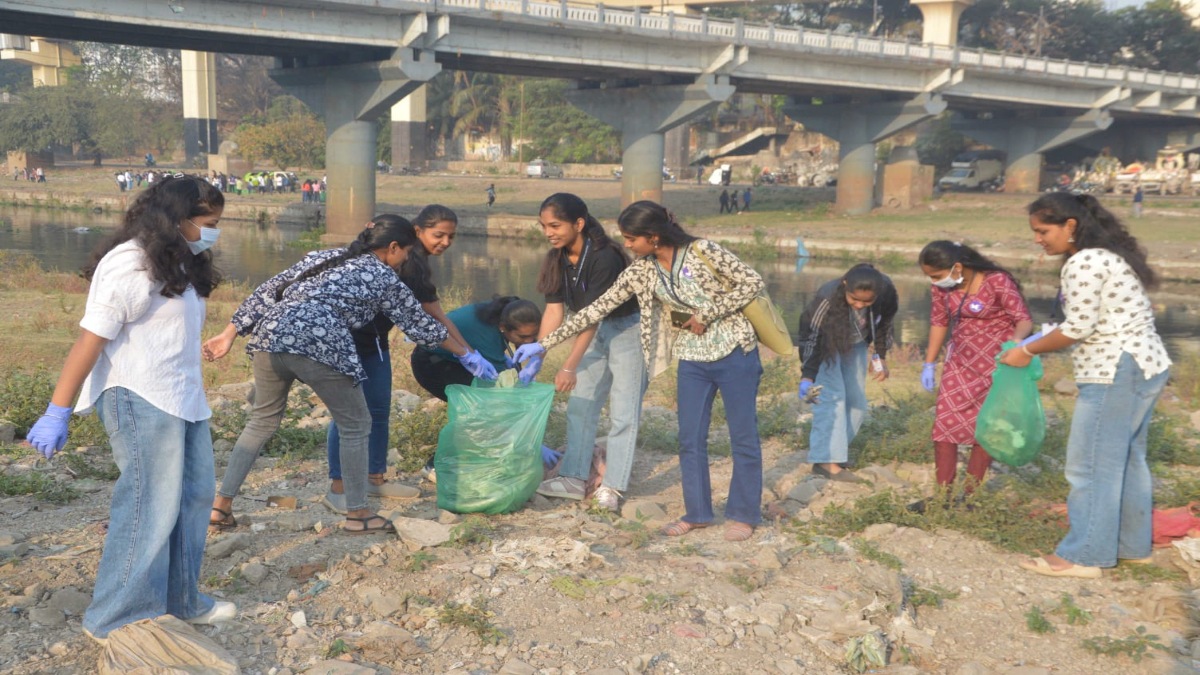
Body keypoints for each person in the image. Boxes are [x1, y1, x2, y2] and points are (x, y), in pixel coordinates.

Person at [23, 175, 235, 642]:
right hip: (138, 396)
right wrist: (57, 410)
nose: (215, 232)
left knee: (195, 497)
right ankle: (116, 616)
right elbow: (89, 340)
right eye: (209, 223)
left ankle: (180, 599)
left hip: (183, 397)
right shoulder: (130, 264)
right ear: (177, 219)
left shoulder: (182, 261)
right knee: (150, 504)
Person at [203, 216, 494, 534]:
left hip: (269, 336)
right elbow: (423, 327)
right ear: (393, 247)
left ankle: (221, 506)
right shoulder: (383, 276)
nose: (408, 259)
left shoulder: (322, 256)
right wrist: (466, 354)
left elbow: (268, 291)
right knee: (356, 425)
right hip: (318, 341)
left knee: (261, 422)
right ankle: (358, 514)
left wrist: (228, 334)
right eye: (407, 252)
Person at [514, 200, 765, 541]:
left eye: (632, 238)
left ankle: (743, 514)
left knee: (743, 438)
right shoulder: (641, 269)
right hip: (692, 357)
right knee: (690, 440)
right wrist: (544, 345)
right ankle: (698, 514)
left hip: (735, 352)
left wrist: (706, 314)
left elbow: (751, 282)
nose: (627, 245)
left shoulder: (703, 251)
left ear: (655, 236)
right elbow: (596, 309)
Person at [1000, 192, 1170, 579]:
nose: (1038, 239)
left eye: (1043, 231)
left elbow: (1077, 328)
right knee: (1126, 459)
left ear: (1070, 225)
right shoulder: (1107, 257)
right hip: (1146, 363)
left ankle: (1084, 555)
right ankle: (1131, 546)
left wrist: (1026, 351)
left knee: (1090, 465)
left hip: (1115, 370)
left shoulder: (1084, 261)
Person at [518, 193, 647, 513]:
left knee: (623, 413)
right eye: (544, 226)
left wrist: (569, 366)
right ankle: (574, 478)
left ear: (578, 223)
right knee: (581, 407)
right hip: (594, 332)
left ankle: (613, 487)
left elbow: (593, 315)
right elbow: (553, 313)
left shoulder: (605, 257)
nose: (549, 232)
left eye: (555, 225)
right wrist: (539, 356)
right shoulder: (558, 257)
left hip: (627, 332)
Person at [913, 241, 1032, 511]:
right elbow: (939, 322)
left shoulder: (997, 281)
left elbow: (1023, 318)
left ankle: (969, 497)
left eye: (935, 275)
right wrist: (929, 363)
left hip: (999, 366)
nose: (933, 281)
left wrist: (1015, 343)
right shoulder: (941, 290)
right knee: (945, 426)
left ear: (957, 266)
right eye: (929, 276)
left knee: (987, 429)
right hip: (960, 365)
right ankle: (942, 496)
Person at [798, 264, 898, 482]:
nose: (860, 305)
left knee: (856, 402)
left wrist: (880, 356)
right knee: (832, 399)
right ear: (845, 285)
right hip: (824, 345)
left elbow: (885, 324)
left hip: (856, 344)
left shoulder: (887, 291)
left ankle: (836, 452)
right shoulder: (827, 297)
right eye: (854, 299)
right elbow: (812, 336)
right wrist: (808, 375)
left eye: (867, 302)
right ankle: (825, 462)